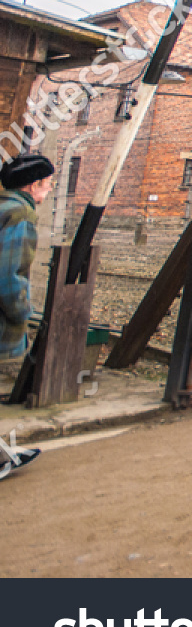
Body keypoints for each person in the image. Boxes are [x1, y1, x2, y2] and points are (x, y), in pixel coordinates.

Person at [0, 152, 52, 481]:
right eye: (47, 185)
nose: (48, 192)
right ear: (34, 185)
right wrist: (23, 315)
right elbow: (8, 276)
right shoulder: (19, 213)